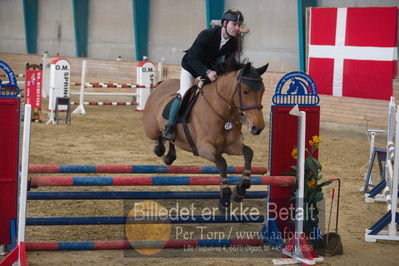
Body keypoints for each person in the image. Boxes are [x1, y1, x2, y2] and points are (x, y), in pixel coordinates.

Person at [162, 9, 244, 140]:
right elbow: (193, 58)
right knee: (184, 92)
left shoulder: (233, 42)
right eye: (235, 24)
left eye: (239, 25)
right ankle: (170, 126)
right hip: (190, 66)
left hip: (209, 68)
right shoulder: (207, 34)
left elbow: (228, 63)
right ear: (225, 23)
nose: (238, 28)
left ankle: (227, 124)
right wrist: (207, 72)